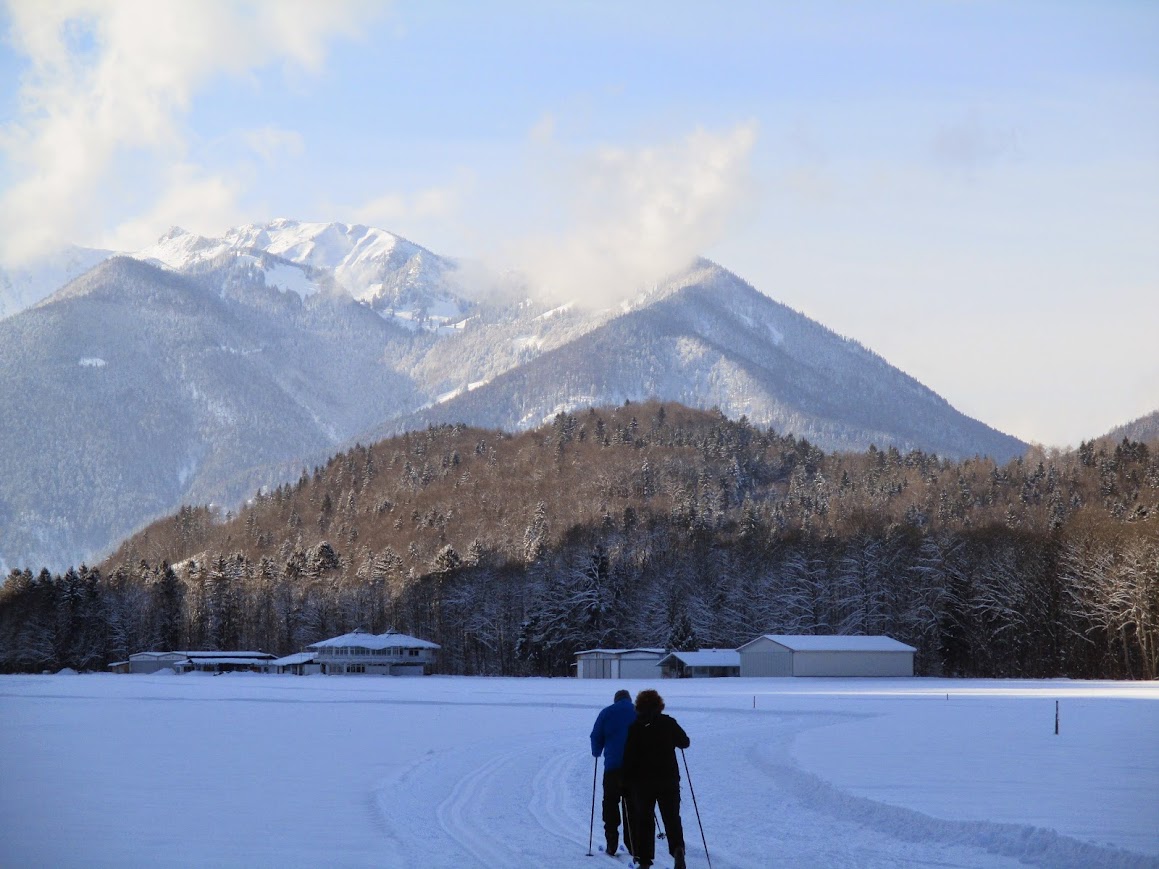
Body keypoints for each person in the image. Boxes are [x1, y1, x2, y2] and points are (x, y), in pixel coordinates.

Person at [621, 689, 690, 869]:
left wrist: (625, 783)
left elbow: (628, 757)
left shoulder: (635, 727)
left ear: (639, 706)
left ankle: (644, 861)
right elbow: (685, 742)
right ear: (659, 704)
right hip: (669, 780)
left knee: (644, 819)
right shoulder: (668, 722)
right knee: (672, 817)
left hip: (642, 783)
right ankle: (677, 849)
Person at [590, 688, 637, 857]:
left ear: (616, 700)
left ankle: (611, 840)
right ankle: (633, 843)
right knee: (632, 804)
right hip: (634, 769)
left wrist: (596, 751)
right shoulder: (638, 711)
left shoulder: (606, 713)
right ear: (629, 699)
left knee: (610, 802)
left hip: (613, 767)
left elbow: (595, 736)